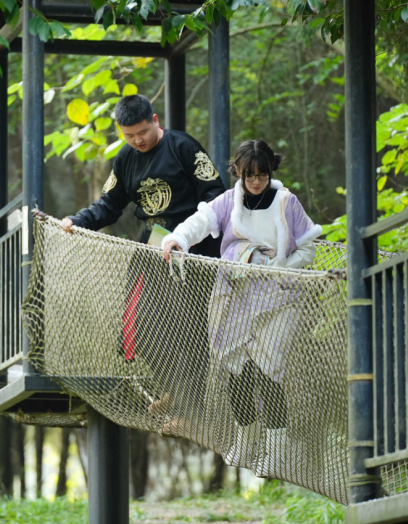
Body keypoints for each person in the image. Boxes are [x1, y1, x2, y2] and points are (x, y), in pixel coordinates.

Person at [161, 140, 323, 474]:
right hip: (235, 293)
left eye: (262, 175)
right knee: (236, 369)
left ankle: (277, 451)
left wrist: (277, 266)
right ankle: (244, 441)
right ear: (237, 171)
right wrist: (177, 239)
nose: (256, 182)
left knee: (269, 369)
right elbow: (199, 222)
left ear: (270, 171)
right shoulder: (228, 201)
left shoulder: (286, 202)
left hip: (279, 297)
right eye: (249, 175)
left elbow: (308, 248)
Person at [61, 94, 226, 254]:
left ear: (155, 120)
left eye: (143, 132)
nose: (138, 141)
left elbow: (215, 196)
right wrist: (79, 220)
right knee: (139, 283)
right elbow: (110, 203)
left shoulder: (183, 147)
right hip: (152, 243)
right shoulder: (125, 157)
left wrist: (190, 232)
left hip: (194, 242)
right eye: (129, 135)